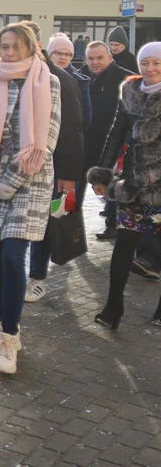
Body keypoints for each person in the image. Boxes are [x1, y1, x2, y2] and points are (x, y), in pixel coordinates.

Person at [0, 23, 61, 375]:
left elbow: (47, 136)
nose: (8, 53)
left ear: (30, 49)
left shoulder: (46, 81)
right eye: (4, 46)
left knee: (12, 254)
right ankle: (9, 328)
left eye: (16, 47)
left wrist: (13, 179)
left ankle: (9, 341)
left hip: (30, 181)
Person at [88, 41, 161, 329]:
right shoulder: (130, 92)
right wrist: (103, 173)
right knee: (123, 245)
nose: (150, 68)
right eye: (146, 63)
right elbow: (116, 133)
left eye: (156, 63)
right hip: (132, 184)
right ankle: (113, 307)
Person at [19, 25, 84, 303]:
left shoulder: (61, 79)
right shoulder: (14, 75)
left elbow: (74, 129)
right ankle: (11, 276)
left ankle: (38, 278)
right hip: (20, 167)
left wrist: (69, 175)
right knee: (20, 221)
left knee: (51, 221)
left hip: (55, 168)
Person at [85, 41, 135, 240]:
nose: (95, 62)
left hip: (118, 143)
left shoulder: (124, 78)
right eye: (91, 58)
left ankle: (115, 225)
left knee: (115, 183)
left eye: (99, 58)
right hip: (91, 141)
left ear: (109, 58)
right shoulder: (85, 75)